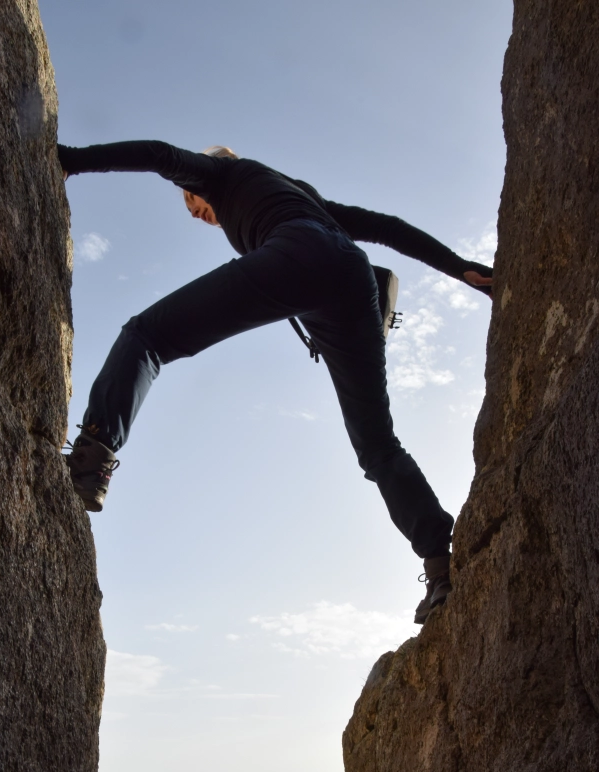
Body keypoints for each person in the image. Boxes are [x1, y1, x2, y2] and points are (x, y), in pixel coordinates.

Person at [57, 141, 493, 624]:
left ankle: (90, 463)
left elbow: (160, 155)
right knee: (377, 446)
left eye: (191, 200)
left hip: (302, 261)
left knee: (147, 335)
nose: (195, 211)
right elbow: (387, 228)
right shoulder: (297, 193)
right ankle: (439, 567)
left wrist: (71, 161)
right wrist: (461, 270)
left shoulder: (223, 175)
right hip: (351, 285)